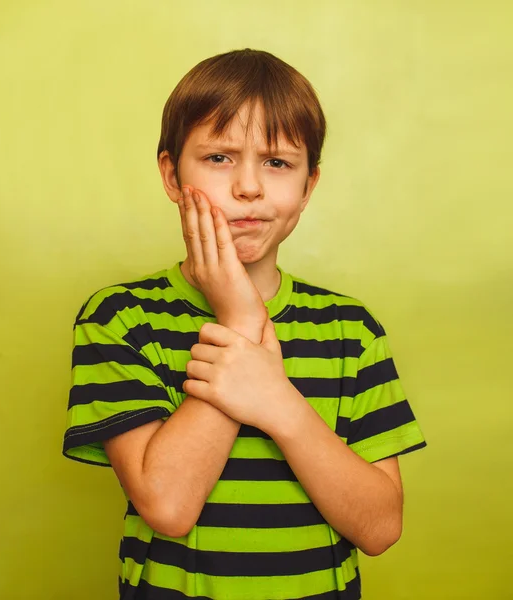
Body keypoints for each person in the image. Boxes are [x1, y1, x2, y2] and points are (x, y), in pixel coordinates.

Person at [62, 48, 427, 600]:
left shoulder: (352, 330)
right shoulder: (120, 319)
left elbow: (380, 528)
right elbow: (167, 505)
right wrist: (239, 319)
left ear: (309, 186)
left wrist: (277, 402)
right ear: (170, 173)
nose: (249, 188)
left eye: (278, 163)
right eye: (219, 158)